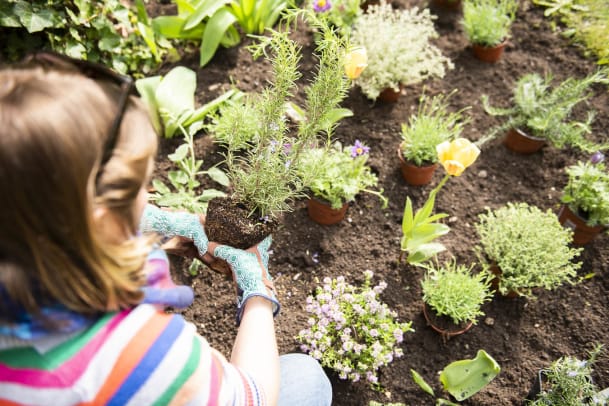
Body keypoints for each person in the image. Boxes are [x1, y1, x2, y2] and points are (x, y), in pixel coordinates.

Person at [0, 52, 332, 405]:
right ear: (98, 220)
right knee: (305, 378)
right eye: (140, 189)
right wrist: (257, 289)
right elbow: (253, 397)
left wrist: (157, 226)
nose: (150, 196)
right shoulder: (130, 353)